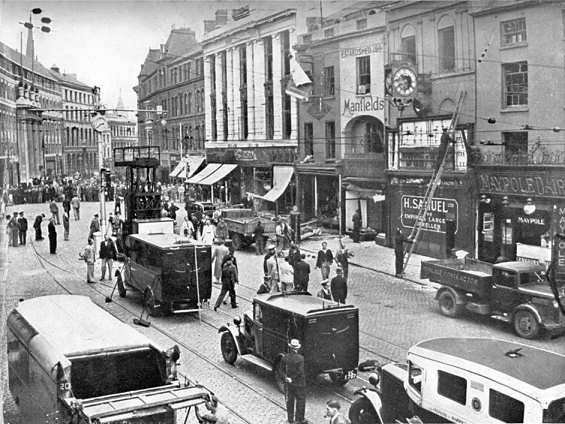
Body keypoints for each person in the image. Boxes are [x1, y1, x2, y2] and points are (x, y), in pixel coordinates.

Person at [282, 339, 307, 424]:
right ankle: (299, 420)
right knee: (301, 400)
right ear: (297, 348)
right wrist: (292, 378)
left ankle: (290, 420)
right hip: (299, 384)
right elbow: (300, 372)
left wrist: (286, 378)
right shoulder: (300, 358)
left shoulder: (285, 357)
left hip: (289, 384)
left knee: (290, 401)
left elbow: (282, 370)